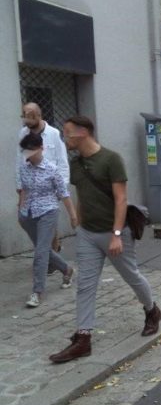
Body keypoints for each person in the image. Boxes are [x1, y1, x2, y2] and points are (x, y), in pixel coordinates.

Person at [48, 116, 161, 364]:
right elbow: (82, 193)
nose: (64, 137)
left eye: (67, 133)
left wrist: (117, 234)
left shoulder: (111, 160)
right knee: (85, 285)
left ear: (82, 133)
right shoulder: (76, 164)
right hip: (88, 234)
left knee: (131, 276)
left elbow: (121, 199)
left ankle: (152, 310)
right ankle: (83, 338)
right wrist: (77, 216)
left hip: (113, 233)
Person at [17, 132, 78, 308]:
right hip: (28, 214)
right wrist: (21, 212)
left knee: (41, 252)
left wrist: (73, 216)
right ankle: (67, 269)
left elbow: (64, 194)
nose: (29, 154)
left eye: (32, 150)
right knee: (42, 249)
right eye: (26, 151)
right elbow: (23, 190)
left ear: (41, 148)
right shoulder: (24, 168)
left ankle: (37, 291)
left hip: (48, 212)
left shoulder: (52, 169)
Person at [17, 103, 70, 257]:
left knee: (48, 223)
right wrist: (19, 186)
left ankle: (50, 256)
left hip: (50, 185)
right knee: (29, 220)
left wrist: (62, 188)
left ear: (39, 116)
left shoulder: (53, 133)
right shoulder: (22, 133)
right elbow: (19, 159)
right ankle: (48, 254)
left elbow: (62, 160)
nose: (28, 126)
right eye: (26, 122)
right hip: (29, 183)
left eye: (31, 123)